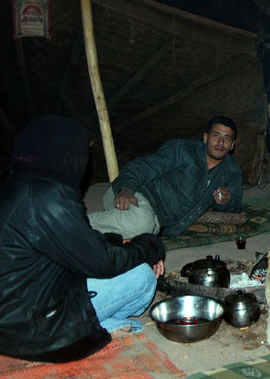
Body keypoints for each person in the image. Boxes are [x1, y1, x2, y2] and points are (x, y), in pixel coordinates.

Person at [0, 115, 165, 362]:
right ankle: (93, 329)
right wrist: (150, 245)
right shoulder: (48, 196)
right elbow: (102, 263)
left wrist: (121, 242)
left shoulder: (16, 183)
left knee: (121, 259)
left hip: (15, 306)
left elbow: (71, 241)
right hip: (29, 326)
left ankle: (99, 322)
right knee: (142, 277)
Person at [88, 116, 243, 240]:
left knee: (144, 236)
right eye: (216, 135)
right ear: (205, 137)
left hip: (158, 222)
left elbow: (235, 207)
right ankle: (73, 223)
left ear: (232, 145)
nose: (221, 142)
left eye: (227, 138)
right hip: (136, 196)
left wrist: (226, 201)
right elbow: (143, 167)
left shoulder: (232, 172)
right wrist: (126, 189)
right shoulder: (182, 150)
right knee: (142, 224)